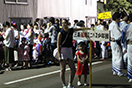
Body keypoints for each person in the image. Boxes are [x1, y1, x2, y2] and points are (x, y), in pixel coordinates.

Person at [57, 19, 87, 88]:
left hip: (69, 49)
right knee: (62, 69)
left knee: (73, 69)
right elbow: (58, 44)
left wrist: (87, 29)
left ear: (68, 23)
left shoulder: (71, 30)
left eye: (65, 23)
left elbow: (77, 29)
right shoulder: (60, 33)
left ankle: (70, 83)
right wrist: (59, 55)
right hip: (63, 50)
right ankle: (64, 84)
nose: (64, 24)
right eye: (62, 23)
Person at [109, 12, 125, 76]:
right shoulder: (115, 24)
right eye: (119, 18)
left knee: (114, 56)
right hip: (116, 42)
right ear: (116, 18)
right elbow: (118, 35)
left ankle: (114, 70)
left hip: (112, 41)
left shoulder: (111, 24)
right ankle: (119, 71)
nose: (119, 19)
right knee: (118, 56)